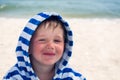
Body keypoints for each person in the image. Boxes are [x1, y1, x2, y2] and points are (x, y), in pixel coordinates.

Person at [3, 12, 86, 80]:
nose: (50, 46)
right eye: (42, 40)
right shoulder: (14, 76)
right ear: (27, 46)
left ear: (65, 46)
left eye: (57, 41)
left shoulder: (71, 77)